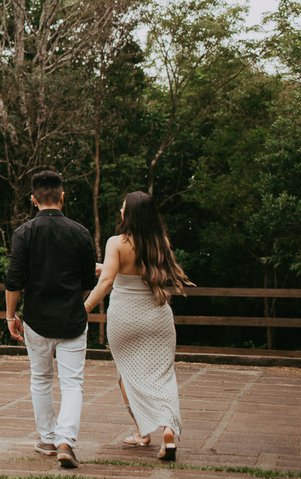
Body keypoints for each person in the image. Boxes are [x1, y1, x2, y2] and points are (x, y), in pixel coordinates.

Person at [83, 190, 191, 462]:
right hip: (157, 317)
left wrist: (84, 308)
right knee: (163, 376)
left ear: (129, 213)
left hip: (125, 318)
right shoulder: (161, 242)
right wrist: (103, 267)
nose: (120, 210)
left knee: (127, 375)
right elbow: (130, 272)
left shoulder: (115, 243)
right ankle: (168, 429)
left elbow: (107, 281)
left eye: (123, 207)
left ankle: (143, 432)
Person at [4, 170, 98, 470]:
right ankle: (65, 441)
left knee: (41, 378)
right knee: (72, 383)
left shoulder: (24, 233)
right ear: (62, 196)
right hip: (72, 318)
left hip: (37, 319)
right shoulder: (81, 233)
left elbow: (14, 280)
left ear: (33, 199)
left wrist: (10, 315)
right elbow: (87, 281)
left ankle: (47, 438)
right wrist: (76, 301)